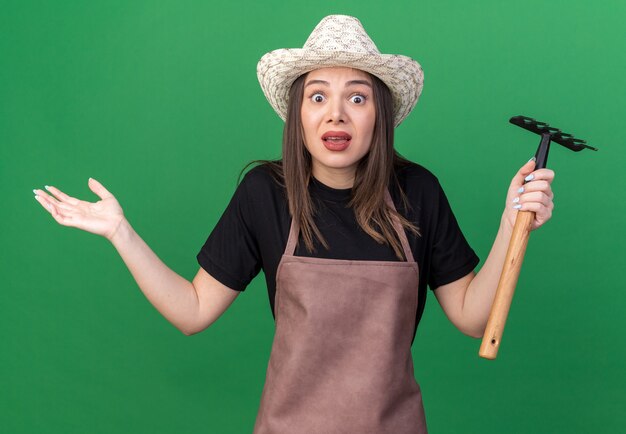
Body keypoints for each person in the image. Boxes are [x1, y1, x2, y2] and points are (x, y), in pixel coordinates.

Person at [33, 15, 555, 434]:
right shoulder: (265, 194)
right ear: (298, 113)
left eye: (357, 97)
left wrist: (514, 224)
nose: (336, 116)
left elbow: (471, 317)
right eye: (317, 96)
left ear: (380, 114)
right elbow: (191, 311)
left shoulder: (417, 192)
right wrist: (120, 231)